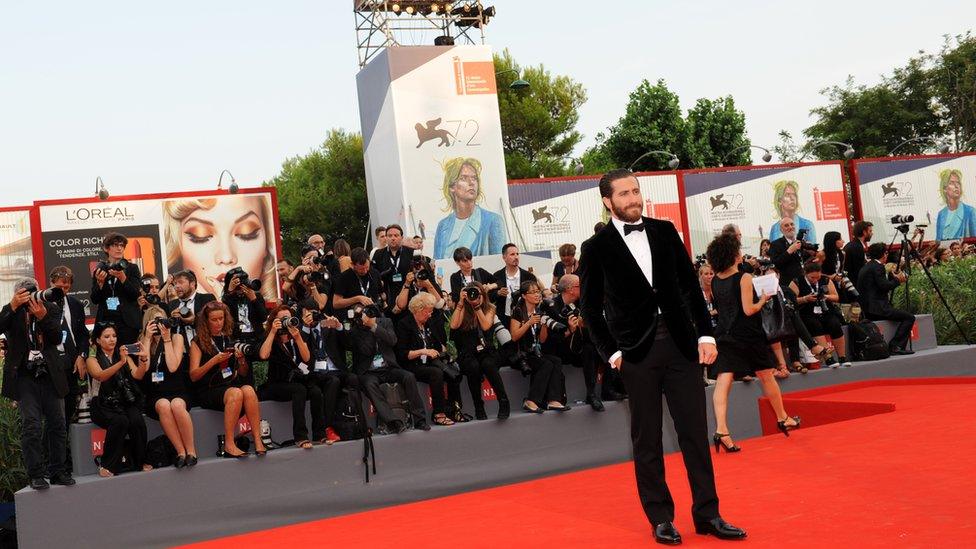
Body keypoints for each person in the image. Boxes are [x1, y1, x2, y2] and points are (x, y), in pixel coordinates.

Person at [578, 169, 745, 543]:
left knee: (694, 434)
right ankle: (661, 518)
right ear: (608, 201)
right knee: (647, 438)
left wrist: (706, 334)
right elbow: (589, 310)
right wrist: (614, 353)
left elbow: (689, 287)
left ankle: (708, 514)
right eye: (624, 194)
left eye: (636, 191)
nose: (633, 198)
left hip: (682, 345)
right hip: (636, 353)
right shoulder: (596, 248)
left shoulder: (665, 231)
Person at [705, 233, 802, 453]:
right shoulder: (744, 278)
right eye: (738, 251)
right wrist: (763, 299)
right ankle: (782, 418)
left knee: (723, 381)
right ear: (733, 255)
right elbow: (749, 310)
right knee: (767, 376)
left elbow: (722, 308)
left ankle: (722, 430)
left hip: (724, 335)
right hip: (747, 335)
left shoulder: (716, 280)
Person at [1, 279, 75, 489]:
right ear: (17, 295)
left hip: (50, 375)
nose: (30, 297)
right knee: (31, 425)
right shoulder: (12, 311)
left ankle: (58, 471)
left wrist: (42, 317)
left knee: (58, 424)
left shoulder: (50, 307)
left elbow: (55, 339)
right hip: (24, 377)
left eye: (33, 292)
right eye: (25, 294)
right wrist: (13, 306)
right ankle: (36, 474)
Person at [162, 194, 278, 302]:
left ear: (266, 243)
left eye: (246, 233)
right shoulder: (178, 307)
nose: (226, 257)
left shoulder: (258, 300)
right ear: (178, 246)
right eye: (201, 236)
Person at [188, 301, 267, 457]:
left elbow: (243, 373)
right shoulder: (197, 342)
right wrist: (213, 361)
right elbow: (193, 375)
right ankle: (229, 444)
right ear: (206, 321)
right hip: (209, 389)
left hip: (229, 384)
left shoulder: (229, 338)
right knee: (236, 393)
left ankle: (258, 440)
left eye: (221, 319)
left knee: (249, 390)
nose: (219, 323)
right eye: (214, 320)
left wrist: (242, 360)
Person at [345, 304, 431, 433]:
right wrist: (363, 327)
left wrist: (373, 326)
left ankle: (420, 420)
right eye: (360, 314)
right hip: (369, 371)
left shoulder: (385, 322)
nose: (364, 316)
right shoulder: (356, 329)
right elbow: (366, 350)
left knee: (409, 376)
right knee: (370, 384)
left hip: (388, 367)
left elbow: (392, 340)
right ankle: (393, 422)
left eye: (365, 312)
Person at [86, 321, 150, 477]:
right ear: (98, 340)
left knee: (136, 420)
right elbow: (100, 376)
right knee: (120, 422)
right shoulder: (92, 359)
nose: (112, 339)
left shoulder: (123, 356)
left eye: (114, 336)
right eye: (106, 336)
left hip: (124, 401)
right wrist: (121, 362)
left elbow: (138, 375)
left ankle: (140, 461)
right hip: (102, 404)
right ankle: (107, 465)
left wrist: (143, 359)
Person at [257, 306, 326, 449]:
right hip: (276, 384)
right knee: (299, 390)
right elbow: (263, 355)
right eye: (282, 319)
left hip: (296, 381)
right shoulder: (271, 337)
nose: (286, 321)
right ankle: (300, 437)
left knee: (315, 391)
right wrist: (272, 331)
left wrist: (298, 338)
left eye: (288, 318)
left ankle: (319, 435)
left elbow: (307, 358)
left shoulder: (296, 335)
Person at [138, 306, 197, 468]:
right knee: (164, 405)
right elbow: (145, 368)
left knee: (177, 405)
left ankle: (191, 451)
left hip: (177, 390)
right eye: (155, 322)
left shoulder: (176, 337)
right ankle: (180, 452)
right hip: (155, 394)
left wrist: (166, 339)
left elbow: (172, 366)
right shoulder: (142, 340)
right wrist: (148, 338)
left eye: (161, 320)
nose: (159, 325)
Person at [395, 293, 461, 426]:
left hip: (430, 362)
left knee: (451, 372)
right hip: (412, 364)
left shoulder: (428, 323)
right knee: (436, 373)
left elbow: (437, 344)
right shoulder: (404, 324)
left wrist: (442, 351)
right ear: (419, 310)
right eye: (428, 311)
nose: (430, 314)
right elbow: (402, 354)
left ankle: (454, 410)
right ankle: (438, 414)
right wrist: (423, 351)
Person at [48, 266, 90, 470]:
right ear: (51, 283)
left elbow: (82, 334)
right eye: (59, 285)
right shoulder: (42, 304)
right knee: (56, 415)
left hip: (73, 362)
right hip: (52, 364)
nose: (62, 289)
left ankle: (71, 457)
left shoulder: (75, 304)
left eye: (66, 286)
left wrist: (82, 356)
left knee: (71, 408)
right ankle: (57, 461)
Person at [449, 281, 510, 420]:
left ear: (483, 295)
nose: (474, 296)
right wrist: (461, 303)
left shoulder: (490, 308)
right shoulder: (463, 308)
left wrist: (477, 307)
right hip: (467, 353)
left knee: (488, 365)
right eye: (471, 293)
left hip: (486, 351)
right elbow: (453, 325)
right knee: (473, 367)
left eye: (478, 294)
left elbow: (486, 325)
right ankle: (478, 406)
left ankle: (503, 401)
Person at [509, 280, 569, 414]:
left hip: (536, 351)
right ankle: (531, 400)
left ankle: (553, 400)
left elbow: (542, 340)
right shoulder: (518, 311)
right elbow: (514, 336)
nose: (537, 295)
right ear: (524, 296)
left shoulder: (541, 310)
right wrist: (529, 322)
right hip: (522, 355)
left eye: (538, 291)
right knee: (546, 364)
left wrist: (543, 326)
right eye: (533, 292)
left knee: (556, 361)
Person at [433, 157, 507, 259]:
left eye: (474, 178)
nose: (471, 182)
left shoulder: (493, 221)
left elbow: (499, 264)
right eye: (463, 178)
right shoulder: (443, 226)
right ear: (452, 187)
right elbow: (438, 266)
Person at [856, 243, 916, 355]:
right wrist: (898, 280)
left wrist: (891, 277)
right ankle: (896, 346)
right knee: (909, 317)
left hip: (867, 308)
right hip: (878, 308)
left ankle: (895, 346)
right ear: (884, 254)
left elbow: (876, 285)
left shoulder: (867, 266)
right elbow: (884, 287)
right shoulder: (878, 267)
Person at [789, 262, 851, 367]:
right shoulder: (796, 282)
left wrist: (825, 296)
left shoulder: (826, 280)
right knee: (815, 325)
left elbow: (836, 297)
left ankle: (842, 357)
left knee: (835, 323)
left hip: (825, 310)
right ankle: (828, 358)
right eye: (812, 277)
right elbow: (791, 301)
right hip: (807, 312)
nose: (815, 280)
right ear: (805, 273)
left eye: (817, 277)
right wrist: (805, 299)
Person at [91, 232, 143, 344]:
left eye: (122, 246)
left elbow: (135, 295)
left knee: (129, 355)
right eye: (115, 245)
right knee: (107, 358)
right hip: (106, 321)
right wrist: (100, 284)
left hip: (127, 323)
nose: (119, 248)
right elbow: (94, 299)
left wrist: (123, 279)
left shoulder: (132, 268)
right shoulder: (100, 270)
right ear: (106, 248)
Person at [493, 243, 537, 330]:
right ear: (504, 257)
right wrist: (498, 293)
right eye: (512, 254)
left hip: (525, 318)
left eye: (517, 254)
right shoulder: (497, 276)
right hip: (504, 318)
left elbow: (536, 296)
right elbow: (490, 297)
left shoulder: (528, 276)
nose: (516, 257)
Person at [167, 270, 216, 347]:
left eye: (181, 282)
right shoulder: (172, 305)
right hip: (181, 353)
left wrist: (194, 320)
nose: (177, 286)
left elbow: (214, 324)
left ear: (192, 284)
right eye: (175, 283)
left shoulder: (207, 299)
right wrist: (171, 322)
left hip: (205, 349)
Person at [335, 248, 384, 320]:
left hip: (374, 317)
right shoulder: (344, 277)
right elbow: (336, 303)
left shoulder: (375, 273)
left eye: (367, 267)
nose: (365, 271)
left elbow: (381, 293)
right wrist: (357, 299)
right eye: (361, 269)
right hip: (353, 319)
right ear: (352, 264)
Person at [768, 217, 814, 288]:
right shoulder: (775, 244)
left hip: (805, 283)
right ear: (781, 230)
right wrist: (789, 251)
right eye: (786, 225)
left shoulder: (802, 242)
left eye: (792, 224)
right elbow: (776, 264)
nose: (790, 227)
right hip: (788, 284)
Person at [936, 169, 976, 241]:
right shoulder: (941, 214)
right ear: (945, 189)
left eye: (958, 183)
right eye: (951, 183)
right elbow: (938, 241)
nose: (956, 186)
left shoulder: (970, 211)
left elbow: (974, 239)